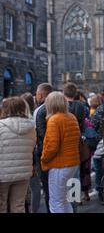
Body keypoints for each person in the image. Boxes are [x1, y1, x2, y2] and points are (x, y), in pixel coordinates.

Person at [41, 92, 81, 213]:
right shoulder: (71, 117)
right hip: (72, 162)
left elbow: (52, 146)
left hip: (59, 164)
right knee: (64, 199)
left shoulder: (54, 120)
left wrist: (44, 158)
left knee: (56, 201)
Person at [0, 97, 36, 213]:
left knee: (2, 205)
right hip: (23, 173)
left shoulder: (1, 126)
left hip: (3, 173)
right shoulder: (31, 128)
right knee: (18, 205)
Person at [33, 83, 53, 213]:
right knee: (67, 188)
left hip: (45, 155)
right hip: (68, 157)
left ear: (40, 94)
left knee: (48, 188)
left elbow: (40, 135)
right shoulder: (65, 109)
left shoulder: (40, 111)